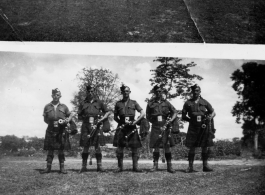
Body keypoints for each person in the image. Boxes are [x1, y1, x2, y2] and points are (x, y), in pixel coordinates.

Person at [182, 84, 216, 173]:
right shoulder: (188, 103)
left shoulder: (204, 102)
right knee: (192, 147)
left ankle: (205, 166)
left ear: (200, 92)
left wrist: (209, 117)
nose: (195, 92)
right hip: (193, 127)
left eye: (197, 91)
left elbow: (213, 112)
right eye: (194, 91)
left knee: (204, 146)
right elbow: (183, 116)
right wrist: (191, 121)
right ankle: (190, 167)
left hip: (203, 126)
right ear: (192, 92)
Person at [41, 88, 76, 174]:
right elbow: (45, 119)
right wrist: (52, 123)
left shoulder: (64, 106)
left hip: (61, 130)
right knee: (50, 149)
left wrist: (67, 121)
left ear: (60, 96)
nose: (56, 96)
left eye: (57, 95)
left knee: (61, 149)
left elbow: (70, 115)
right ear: (52, 95)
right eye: (54, 95)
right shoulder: (47, 106)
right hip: (50, 129)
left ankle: (62, 168)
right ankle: (48, 168)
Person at [78, 84, 111, 173]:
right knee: (85, 146)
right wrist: (86, 119)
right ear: (87, 92)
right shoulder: (83, 103)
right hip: (86, 126)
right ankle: (83, 166)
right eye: (89, 91)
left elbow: (107, 112)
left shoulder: (99, 102)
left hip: (97, 125)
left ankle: (99, 166)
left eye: (92, 91)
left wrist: (101, 119)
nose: (90, 93)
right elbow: (79, 116)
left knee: (97, 146)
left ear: (94, 92)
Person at [113, 84, 146, 172]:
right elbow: (115, 117)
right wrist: (121, 123)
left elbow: (143, 113)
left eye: (127, 91)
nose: (125, 93)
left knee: (134, 147)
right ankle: (120, 167)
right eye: (124, 91)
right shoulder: (118, 103)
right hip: (122, 126)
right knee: (120, 147)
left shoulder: (134, 103)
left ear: (129, 92)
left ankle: (135, 167)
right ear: (122, 92)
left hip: (132, 126)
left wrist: (135, 122)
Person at [146, 85, 178, 173]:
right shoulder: (150, 103)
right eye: (157, 91)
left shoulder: (166, 103)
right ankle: (155, 166)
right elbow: (147, 115)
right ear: (154, 92)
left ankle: (169, 166)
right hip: (155, 126)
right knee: (156, 146)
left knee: (167, 145)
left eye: (160, 91)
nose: (158, 93)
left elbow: (175, 112)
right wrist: (153, 122)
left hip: (165, 125)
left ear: (162, 92)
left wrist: (170, 120)